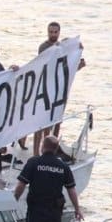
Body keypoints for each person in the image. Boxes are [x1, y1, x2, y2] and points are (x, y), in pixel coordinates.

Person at [13, 135, 83, 222]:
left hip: (36, 209)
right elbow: (71, 190)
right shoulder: (63, 167)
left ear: (42, 147)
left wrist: (14, 201)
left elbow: (21, 184)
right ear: (56, 149)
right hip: (54, 211)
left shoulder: (34, 162)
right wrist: (77, 209)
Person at [33, 22, 86, 155]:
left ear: (59, 32)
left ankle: (52, 149)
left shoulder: (63, 46)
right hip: (45, 87)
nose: (53, 34)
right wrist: (59, 48)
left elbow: (67, 68)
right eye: (51, 32)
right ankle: (37, 152)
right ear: (47, 32)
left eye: (55, 32)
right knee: (42, 121)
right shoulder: (44, 47)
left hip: (60, 89)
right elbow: (45, 64)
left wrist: (78, 49)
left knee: (57, 120)